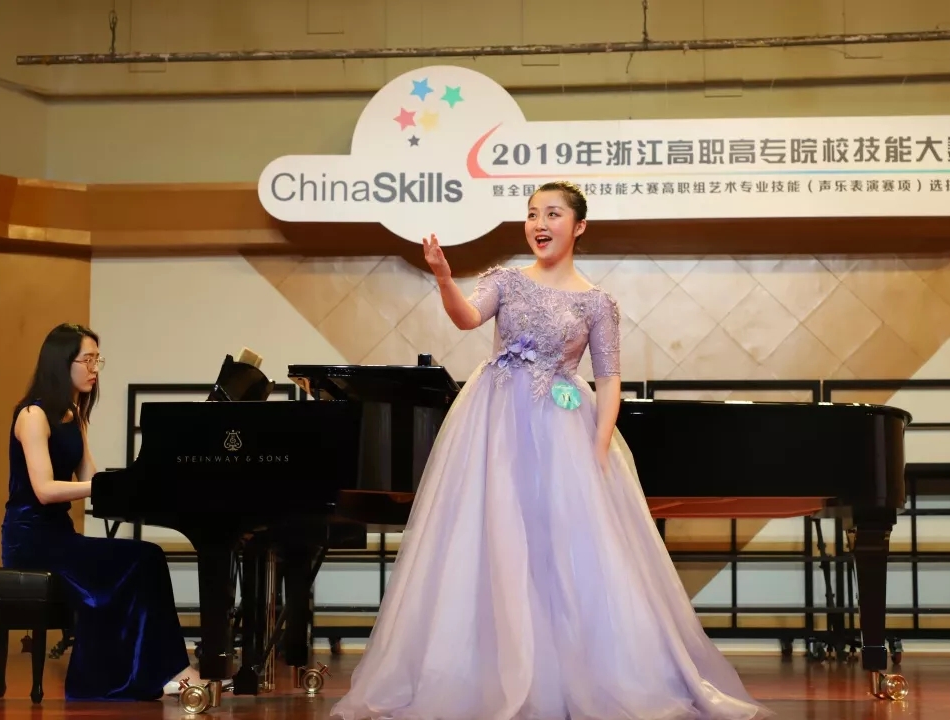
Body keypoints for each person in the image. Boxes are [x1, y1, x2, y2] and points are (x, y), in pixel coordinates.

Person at [330, 182, 771, 720]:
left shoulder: (597, 303)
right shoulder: (506, 280)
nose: (539, 224)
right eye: (532, 214)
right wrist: (444, 278)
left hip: (562, 425)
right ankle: (492, 671)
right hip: (494, 425)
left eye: (553, 214)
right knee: (494, 538)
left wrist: (599, 445)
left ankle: (572, 675)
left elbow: (608, 379)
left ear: (578, 226)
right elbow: (467, 317)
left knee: (562, 548)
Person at [0, 323, 201, 701]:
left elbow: (92, 479)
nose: (95, 369)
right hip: (30, 541)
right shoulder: (32, 415)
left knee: (148, 557)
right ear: (61, 363)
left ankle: (164, 670)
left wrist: (143, 482)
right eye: (87, 360)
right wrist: (107, 485)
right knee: (145, 558)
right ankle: (163, 672)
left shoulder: (73, 414)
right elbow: (45, 490)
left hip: (59, 537)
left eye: (97, 360)